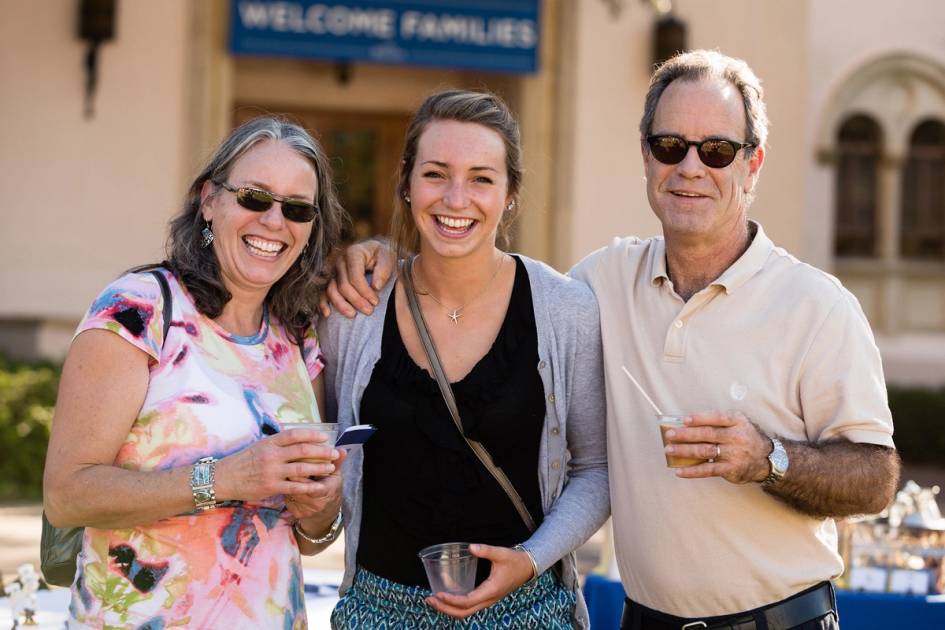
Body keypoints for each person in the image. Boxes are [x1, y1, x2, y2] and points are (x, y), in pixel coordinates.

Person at [324, 51, 901, 629]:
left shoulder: (816, 306)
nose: (691, 167)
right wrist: (373, 254)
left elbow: (877, 478)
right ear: (647, 156)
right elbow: (480, 279)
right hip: (644, 619)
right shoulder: (600, 285)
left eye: (717, 151)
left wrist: (768, 460)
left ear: (752, 165)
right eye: (671, 146)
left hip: (781, 621)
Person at [318, 89, 609, 629]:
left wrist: (531, 559)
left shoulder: (564, 309)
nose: (456, 199)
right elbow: (323, 457)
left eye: (481, 178)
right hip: (378, 613)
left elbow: (595, 469)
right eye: (435, 174)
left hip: (528, 610)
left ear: (510, 194)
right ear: (406, 184)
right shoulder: (353, 310)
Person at [43, 116, 350, 629]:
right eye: (254, 197)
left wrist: (322, 504)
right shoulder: (138, 310)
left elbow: (310, 535)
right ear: (210, 200)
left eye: (297, 209)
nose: (275, 221)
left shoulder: (298, 338)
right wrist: (227, 478)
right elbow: (66, 495)